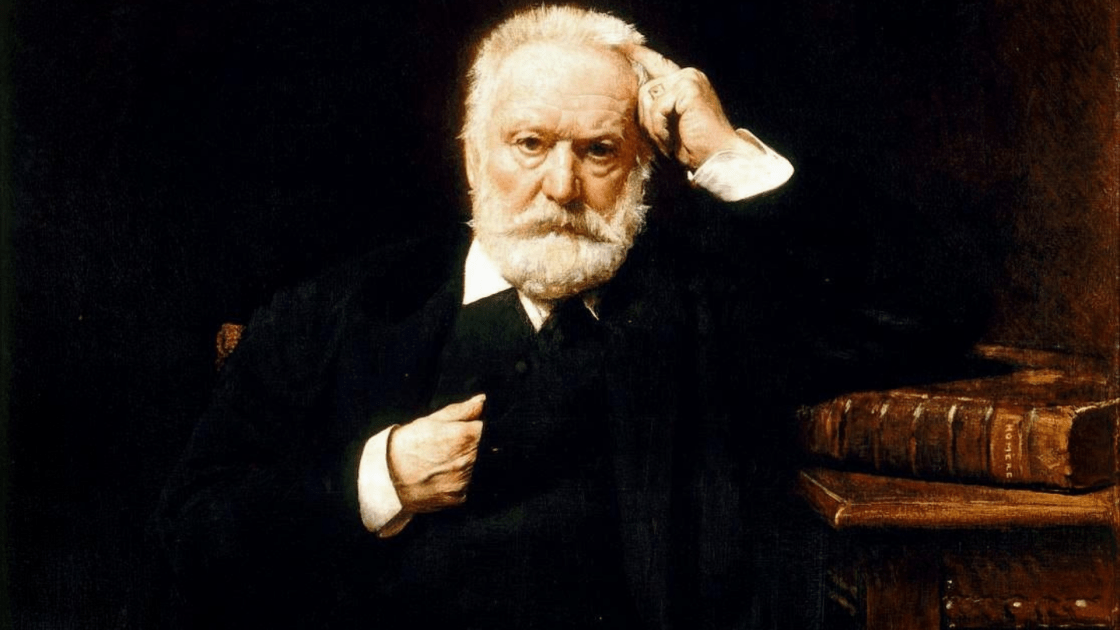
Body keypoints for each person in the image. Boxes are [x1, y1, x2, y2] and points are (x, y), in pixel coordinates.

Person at [158, 6, 968, 628]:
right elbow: (188, 539)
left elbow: (927, 312)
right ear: (473, 158)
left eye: (598, 151)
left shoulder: (708, 310)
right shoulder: (339, 312)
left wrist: (724, 154)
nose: (561, 186)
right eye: (529, 144)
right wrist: (381, 478)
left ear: (644, 166)